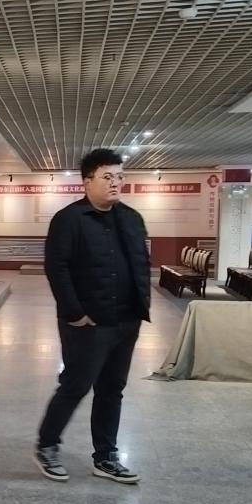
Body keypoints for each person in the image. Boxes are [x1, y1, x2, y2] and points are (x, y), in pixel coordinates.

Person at [35, 148, 149, 485]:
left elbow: (141, 264)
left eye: (119, 176)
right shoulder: (69, 219)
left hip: (126, 320)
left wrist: (140, 309)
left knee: (112, 389)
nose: (115, 183)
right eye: (107, 177)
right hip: (88, 323)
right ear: (87, 182)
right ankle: (47, 445)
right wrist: (74, 313)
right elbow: (56, 268)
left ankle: (106, 456)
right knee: (76, 385)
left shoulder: (131, 218)